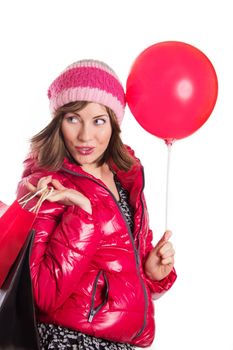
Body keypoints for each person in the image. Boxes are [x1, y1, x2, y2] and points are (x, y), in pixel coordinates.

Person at [17, 59, 177, 350]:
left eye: (98, 120)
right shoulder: (45, 182)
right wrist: (83, 213)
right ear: (58, 121)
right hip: (68, 341)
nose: (85, 136)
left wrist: (152, 274)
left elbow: (116, 271)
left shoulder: (124, 177)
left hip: (119, 343)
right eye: (73, 119)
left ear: (114, 123)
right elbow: (39, 294)